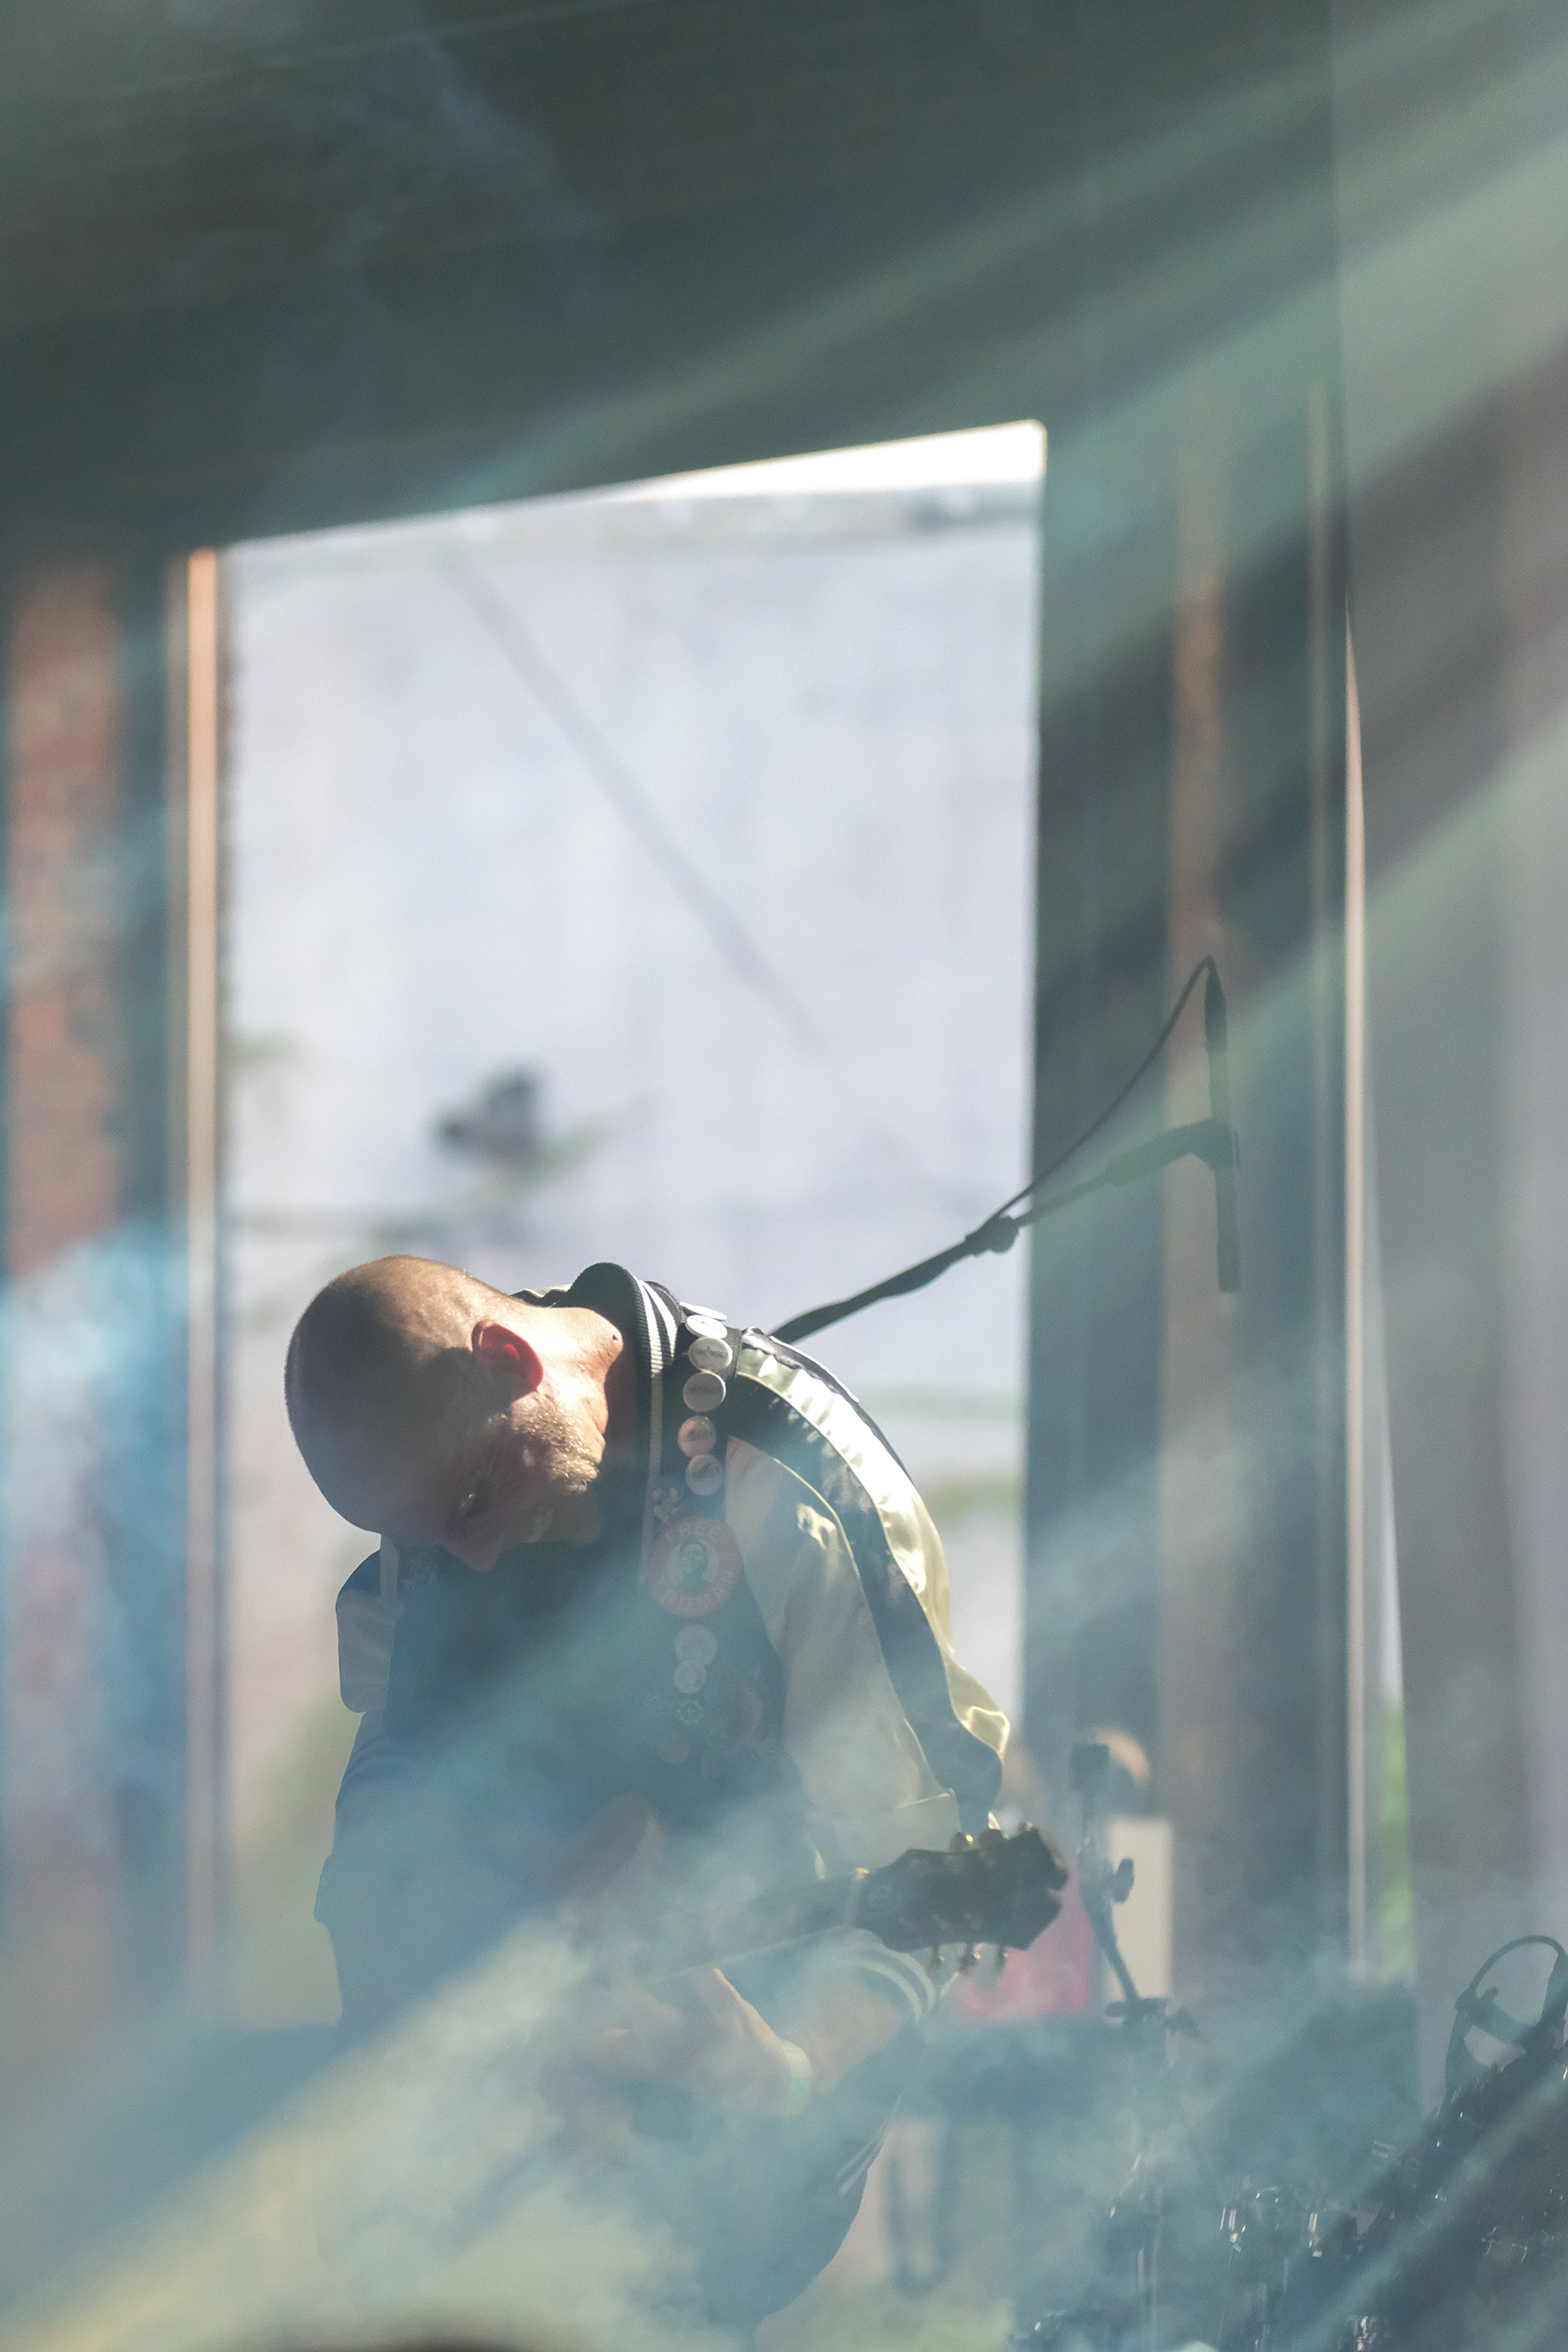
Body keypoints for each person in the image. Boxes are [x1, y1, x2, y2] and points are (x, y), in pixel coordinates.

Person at [285, 1253, 1036, 2325]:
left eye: (475, 1501)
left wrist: (787, 2067)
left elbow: (951, 1875)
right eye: (421, 1536)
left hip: (737, 2126)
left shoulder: (793, 1485)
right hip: (503, 2112)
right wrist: (391, 1964)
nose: (471, 1557)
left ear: (510, 1360)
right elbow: (390, 1765)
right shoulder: (439, 1481)